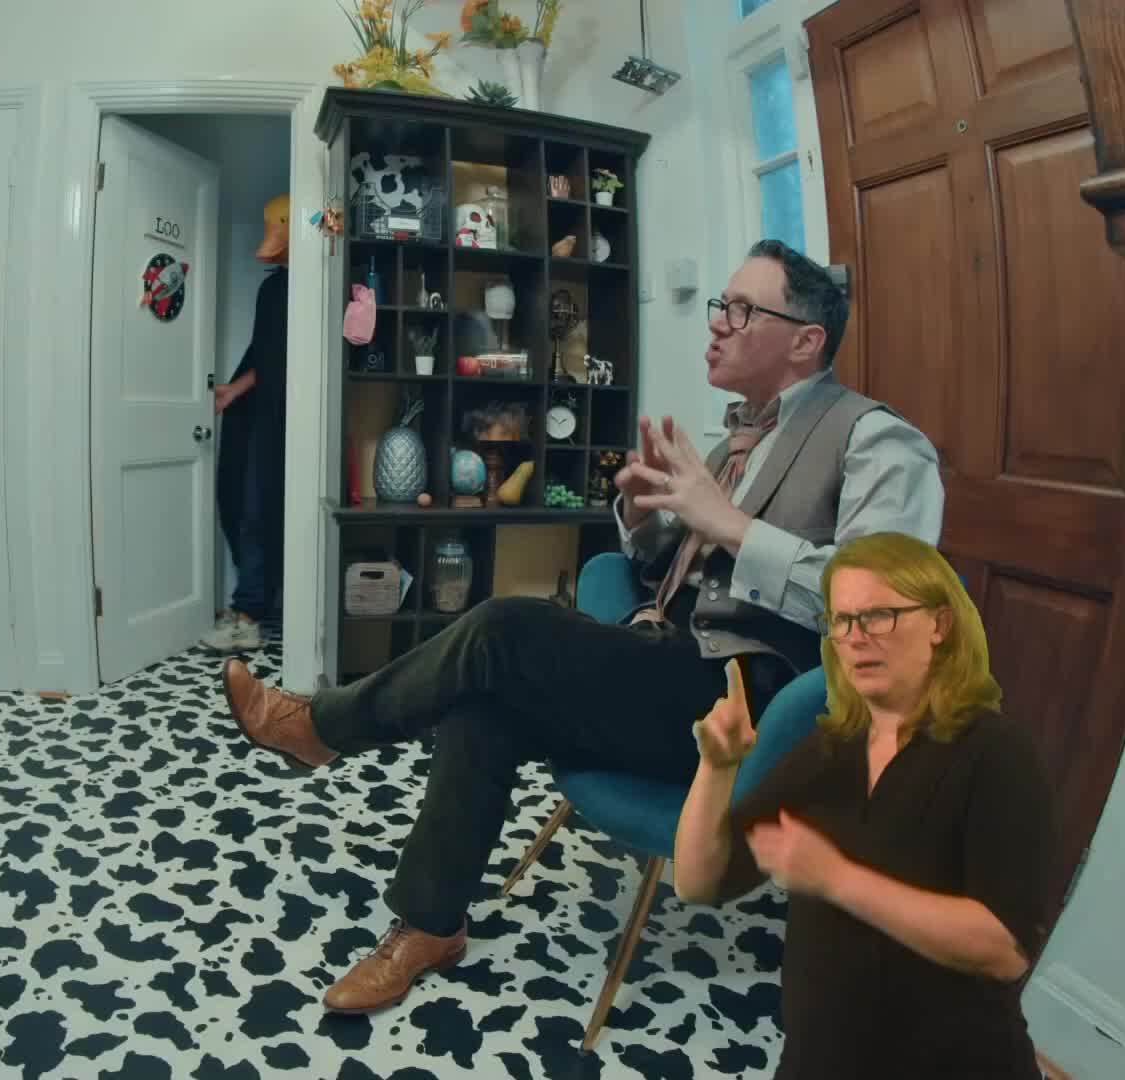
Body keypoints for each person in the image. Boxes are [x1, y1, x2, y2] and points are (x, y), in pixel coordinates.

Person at [221, 239, 945, 1013]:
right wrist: (639, 512)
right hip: (667, 665)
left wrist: (728, 523)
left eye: (742, 310)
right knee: (486, 699)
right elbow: (666, 568)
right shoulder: (736, 442)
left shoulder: (879, 441)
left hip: (748, 711)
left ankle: (323, 727)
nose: (717, 323)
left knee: (504, 630)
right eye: (721, 305)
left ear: (806, 341)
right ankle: (431, 924)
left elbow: (885, 611)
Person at [674, 531, 1056, 1078]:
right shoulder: (828, 750)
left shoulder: (998, 753)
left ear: (940, 625)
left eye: (878, 616)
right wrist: (717, 767)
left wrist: (835, 878)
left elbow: (1003, 948)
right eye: (842, 620)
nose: (855, 638)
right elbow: (697, 882)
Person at [203, 193, 290, 654]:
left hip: (289, 420)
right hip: (265, 416)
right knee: (248, 502)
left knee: (264, 509)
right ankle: (251, 609)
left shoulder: (310, 287)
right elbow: (265, 356)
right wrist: (233, 392)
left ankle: (251, 615)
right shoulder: (273, 290)